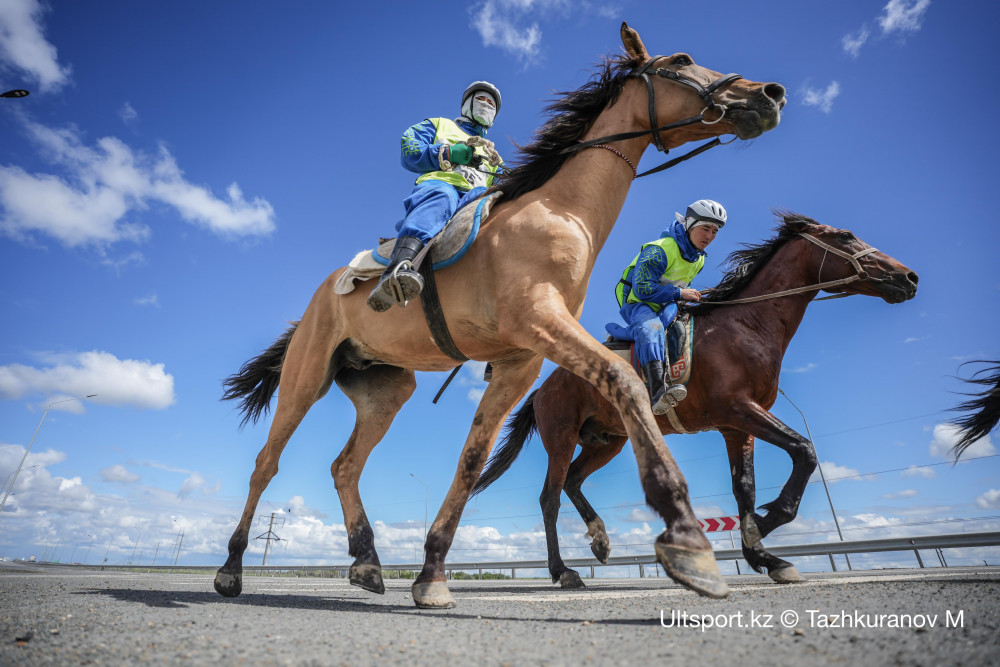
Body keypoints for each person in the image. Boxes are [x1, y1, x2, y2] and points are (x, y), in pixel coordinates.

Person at [367, 81, 504, 312]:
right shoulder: (440, 125)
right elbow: (408, 147)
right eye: (482, 99)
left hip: (473, 198)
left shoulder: (493, 157)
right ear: (468, 104)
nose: (487, 105)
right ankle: (397, 270)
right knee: (442, 196)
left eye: (491, 104)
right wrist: (448, 152)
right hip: (439, 186)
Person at [607, 199, 727, 414]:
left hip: (667, 303)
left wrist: (684, 297)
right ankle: (657, 392)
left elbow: (680, 287)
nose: (709, 237)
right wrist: (680, 293)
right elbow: (643, 289)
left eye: (715, 231)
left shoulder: (699, 259)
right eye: (705, 228)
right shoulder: (658, 250)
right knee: (652, 328)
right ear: (690, 224)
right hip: (638, 303)